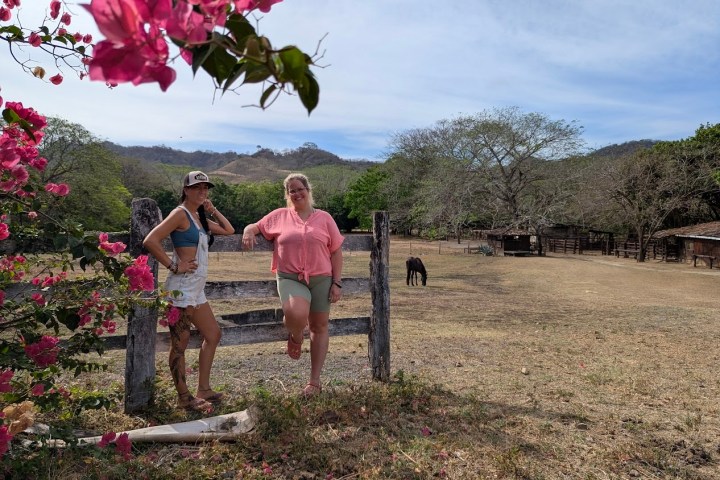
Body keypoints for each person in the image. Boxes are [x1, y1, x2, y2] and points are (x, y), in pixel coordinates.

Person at [242, 173, 344, 397]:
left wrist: (336, 282)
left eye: (300, 189)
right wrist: (249, 230)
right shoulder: (280, 216)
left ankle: (314, 382)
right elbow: (256, 226)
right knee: (295, 314)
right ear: (287, 195)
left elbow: (336, 250)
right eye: (292, 190)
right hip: (290, 277)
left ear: (308, 190)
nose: (297, 193)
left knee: (319, 327)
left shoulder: (325, 218)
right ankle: (296, 335)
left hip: (321, 278)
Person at [143, 171, 235, 412]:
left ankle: (203, 388)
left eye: (205, 188)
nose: (202, 191)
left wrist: (211, 209)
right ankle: (184, 397)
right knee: (180, 344)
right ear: (185, 190)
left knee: (213, 334)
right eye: (197, 188)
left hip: (196, 289)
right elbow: (151, 240)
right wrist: (174, 265)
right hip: (181, 290)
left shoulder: (198, 216)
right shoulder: (179, 214)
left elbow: (229, 230)